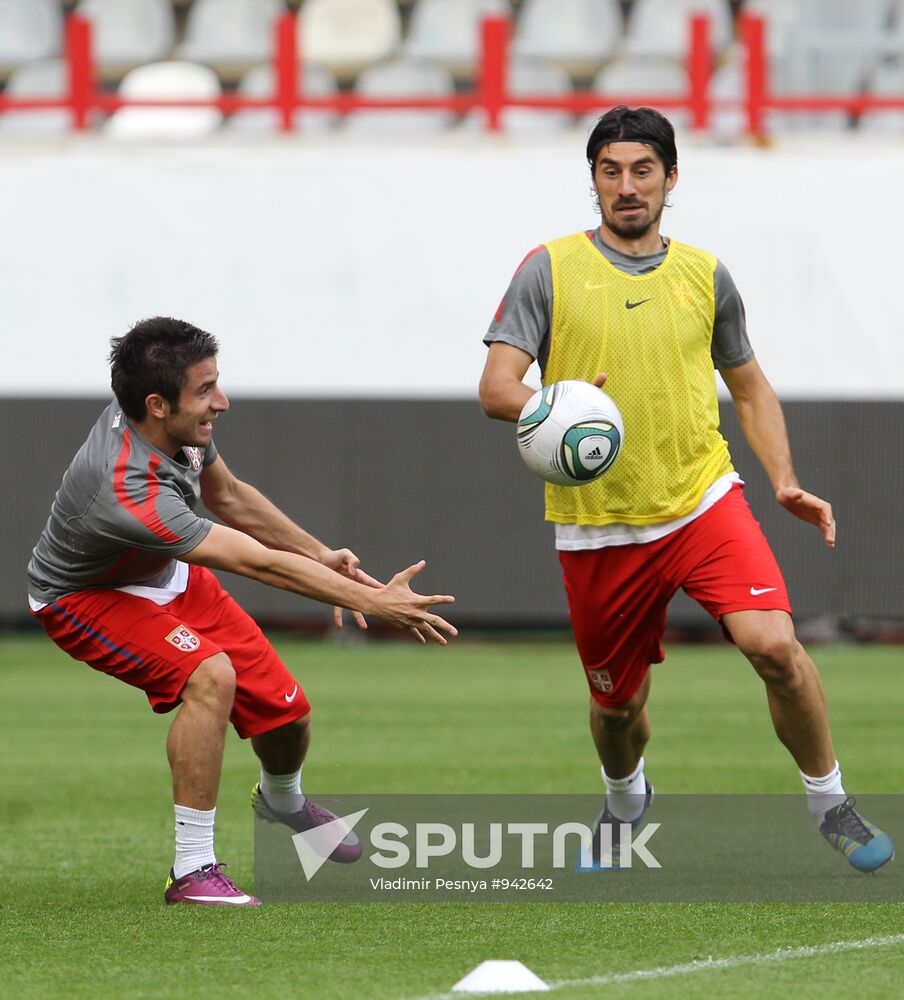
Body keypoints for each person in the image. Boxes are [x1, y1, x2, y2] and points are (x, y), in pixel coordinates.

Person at [478, 106, 892, 873]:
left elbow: (750, 384)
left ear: (671, 178)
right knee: (617, 708)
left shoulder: (705, 274)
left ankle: (830, 803)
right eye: (611, 171)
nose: (627, 186)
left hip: (702, 500)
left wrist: (785, 482)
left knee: (775, 646)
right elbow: (498, 386)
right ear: (594, 180)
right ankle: (626, 799)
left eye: (643, 170)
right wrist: (554, 402)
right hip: (597, 527)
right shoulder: (549, 266)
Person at [28, 316, 458, 906]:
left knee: (288, 718)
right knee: (212, 675)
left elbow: (228, 496)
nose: (221, 403)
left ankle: (282, 800)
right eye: (205, 392)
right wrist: (374, 602)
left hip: (165, 577)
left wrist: (321, 555)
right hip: (86, 598)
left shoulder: (175, 426)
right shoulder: (127, 491)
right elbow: (258, 564)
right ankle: (193, 870)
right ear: (157, 404)